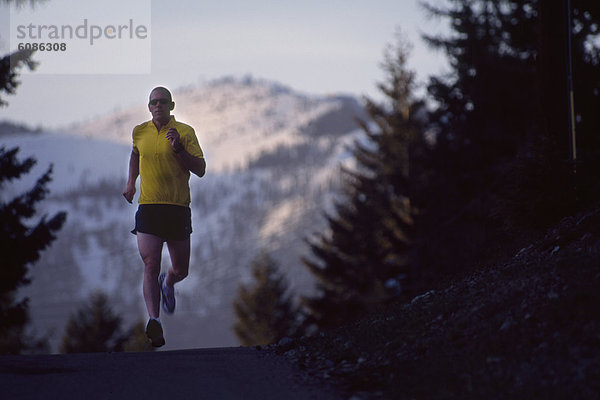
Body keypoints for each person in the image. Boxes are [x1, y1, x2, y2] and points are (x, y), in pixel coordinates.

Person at [123, 86, 206, 347]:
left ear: (172, 105)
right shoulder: (139, 131)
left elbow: (201, 169)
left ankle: (168, 281)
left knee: (181, 269)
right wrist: (130, 183)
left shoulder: (185, 132)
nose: (157, 105)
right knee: (150, 263)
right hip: (148, 207)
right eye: (153, 102)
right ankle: (154, 320)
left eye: (163, 102)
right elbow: (136, 154)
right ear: (148, 107)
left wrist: (179, 149)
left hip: (177, 207)